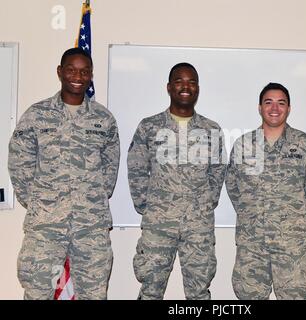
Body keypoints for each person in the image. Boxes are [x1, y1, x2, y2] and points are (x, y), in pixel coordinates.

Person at [8, 48, 120, 300]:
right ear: (60, 72)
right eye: (71, 69)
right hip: (46, 225)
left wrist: (90, 198)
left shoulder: (104, 120)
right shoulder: (36, 115)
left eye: (84, 71)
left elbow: (109, 170)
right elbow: (19, 162)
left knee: (94, 293)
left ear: (91, 76)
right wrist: (41, 201)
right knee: (37, 292)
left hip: (91, 225)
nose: (77, 76)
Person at [128, 62, 226, 300]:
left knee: (199, 290)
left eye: (191, 82)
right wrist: (147, 205)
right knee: (151, 288)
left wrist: (203, 204)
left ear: (198, 88)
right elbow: (136, 167)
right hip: (159, 223)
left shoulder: (211, 129)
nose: (186, 87)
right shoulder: (149, 126)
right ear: (169, 87)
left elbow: (218, 170)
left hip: (198, 225)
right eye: (180, 81)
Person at [225, 82, 306, 299]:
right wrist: (251, 213)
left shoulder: (304, 144)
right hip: (252, 242)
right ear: (260, 107)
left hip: (292, 243)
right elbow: (233, 186)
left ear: (289, 108)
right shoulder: (244, 145)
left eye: (281, 103)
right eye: (268, 102)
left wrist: (296, 218)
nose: (274, 108)